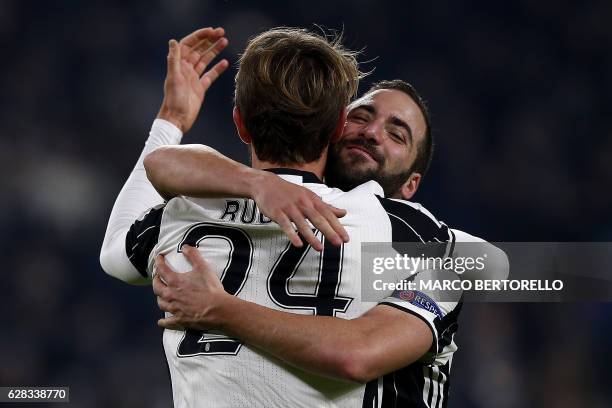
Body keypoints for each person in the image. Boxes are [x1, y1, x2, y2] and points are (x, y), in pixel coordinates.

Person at [101, 26, 464, 408]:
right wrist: (256, 183)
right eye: (363, 116)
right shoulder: (418, 236)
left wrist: (171, 121)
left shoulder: (183, 214)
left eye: (397, 133)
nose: (372, 132)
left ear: (239, 124)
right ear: (338, 126)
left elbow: (118, 243)